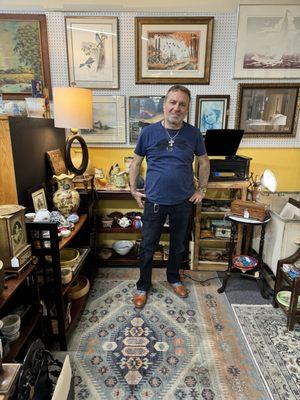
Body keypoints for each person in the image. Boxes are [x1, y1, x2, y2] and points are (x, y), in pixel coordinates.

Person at [129, 85, 210, 308]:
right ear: (164, 105)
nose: (177, 108)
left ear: (187, 108)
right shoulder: (148, 132)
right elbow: (136, 162)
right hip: (154, 200)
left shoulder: (194, 134)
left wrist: (202, 189)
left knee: (178, 245)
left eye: (182, 104)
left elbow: (204, 162)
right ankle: (143, 285)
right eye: (172, 102)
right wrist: (132, 189)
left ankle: (174, 278)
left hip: (183, 201)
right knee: (147, 246)